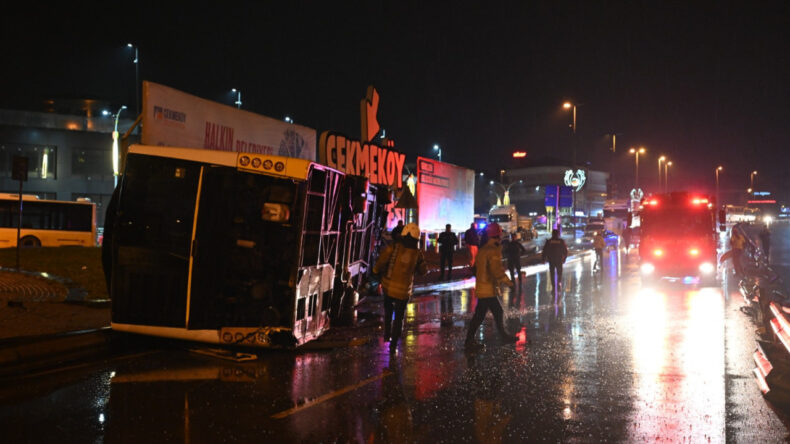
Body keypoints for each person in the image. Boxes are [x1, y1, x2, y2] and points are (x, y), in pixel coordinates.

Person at [373, 223, 428, 353]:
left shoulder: (394, 248)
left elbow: (381, 262)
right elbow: (423, 271)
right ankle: (393, 345)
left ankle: (387, 334)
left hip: (389, 287)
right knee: (399, 318)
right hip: (404, 292)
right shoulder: (417, 253)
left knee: (388, 311)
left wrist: (375, 271)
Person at [465, 223, 517, 349]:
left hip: (483, 287)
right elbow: (496, 270)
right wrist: (509, 282)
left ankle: (470, 340)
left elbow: (476, 268)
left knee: (483, 314)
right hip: (488, 288)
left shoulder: (482, 249)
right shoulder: (493, 249)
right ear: (498, 234)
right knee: (493, 312)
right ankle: (471, 341)